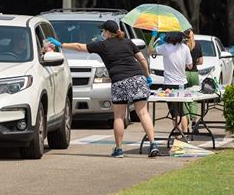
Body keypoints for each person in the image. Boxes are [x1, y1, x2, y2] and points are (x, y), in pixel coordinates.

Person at [47, 20, 159, 158]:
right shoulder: (128, 42)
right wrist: (147, 76)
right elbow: (142, 59)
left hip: (119, 81)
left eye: (103, 31)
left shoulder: (102, 45)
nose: (102, 33)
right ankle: (153, 145)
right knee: (143, 113)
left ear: (107, 32)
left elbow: (79, 46)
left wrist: (61, 44)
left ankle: (118, 150)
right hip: (137, 78)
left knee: (118, 116)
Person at [149, 30, 192, 137]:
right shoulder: (185, 48)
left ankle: (177, 134)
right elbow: (190, 65)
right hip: (182, 83)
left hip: (169, 84)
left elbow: (150, 50)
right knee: (182, 111)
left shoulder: (165, 47)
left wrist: (153, 37)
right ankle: (185, 133)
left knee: (174, 112)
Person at [184, 29, 203, 128]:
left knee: (185, 98)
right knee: (194, 98)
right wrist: (194, 62)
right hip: (194, 73)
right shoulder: (198, 45)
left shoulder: (183, 46)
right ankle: (194, 122)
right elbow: (201, 61)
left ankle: (185, 121)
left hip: (184, 73)